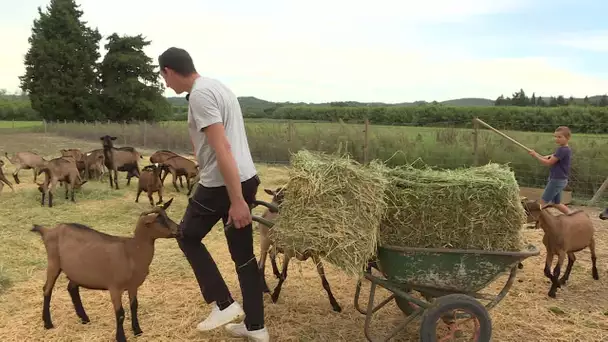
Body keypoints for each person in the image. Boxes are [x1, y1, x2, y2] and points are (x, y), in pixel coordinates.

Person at [158, 47, 268, 341]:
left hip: (221, 185)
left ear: (168, 70)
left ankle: (223, 304)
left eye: (164, 78)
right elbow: (213, 143)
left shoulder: (200, 95)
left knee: (187, 236)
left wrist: (237, 202)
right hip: (244, 178)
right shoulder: (217, 87)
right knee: (243, 256)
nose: (167, 85)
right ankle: (256, 327)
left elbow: (223, 148)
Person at [528, 126, 572, 215]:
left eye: (560, 137)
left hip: (556, 180)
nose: (557, 139)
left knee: (542, 202)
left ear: (567, 138)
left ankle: (533, 218)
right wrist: (536, 154)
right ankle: (572, 215)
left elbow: (548, 162)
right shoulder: (565, 149)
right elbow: (549, 157)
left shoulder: (562, 150)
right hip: (560, 180)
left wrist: (535, 156)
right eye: (555, 136)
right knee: (556, 203)